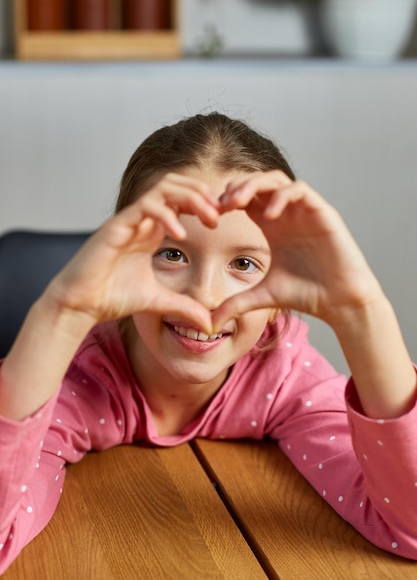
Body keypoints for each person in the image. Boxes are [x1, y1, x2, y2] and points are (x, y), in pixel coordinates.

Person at [1, 112, 417, 572]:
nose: (205, 296)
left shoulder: (282, 372)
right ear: (120, 261)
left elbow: (410, 527)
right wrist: (61, 313)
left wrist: (363, 313)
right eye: (172, 254)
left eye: (243, 264)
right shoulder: (75, 378)